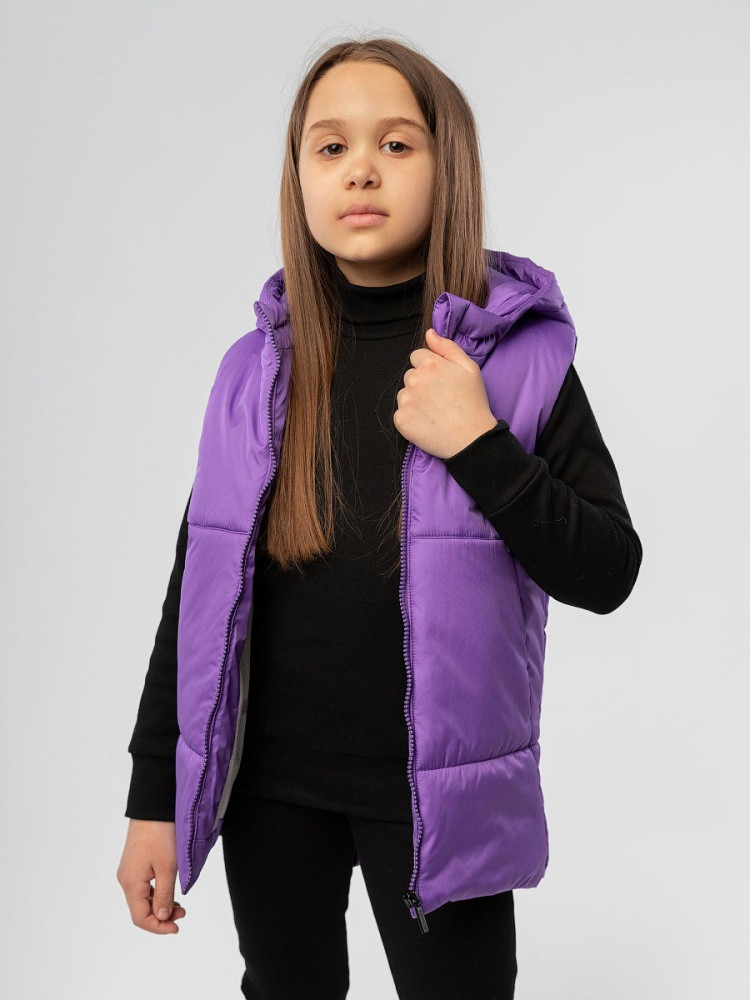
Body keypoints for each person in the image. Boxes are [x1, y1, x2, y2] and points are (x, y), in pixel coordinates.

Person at [116, 35, 643, 1000]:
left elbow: (608, 570)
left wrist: (478, 442)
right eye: (331, 147)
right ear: (300, 179)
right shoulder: (253, 371)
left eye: (396, 144)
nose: (361, 168)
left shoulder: (515, 364)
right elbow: (197, 586)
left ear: (449, 167)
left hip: (438, 797)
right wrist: (155, 796)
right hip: (269, 790)